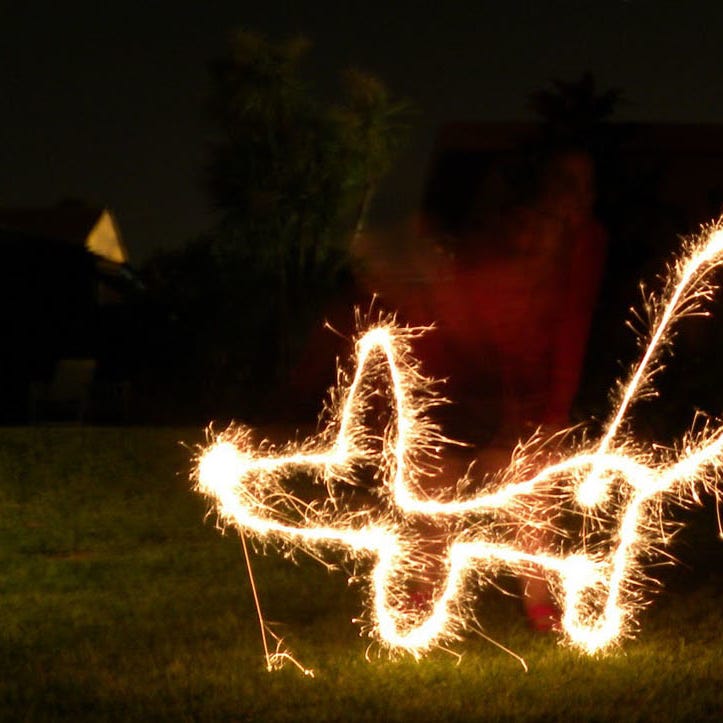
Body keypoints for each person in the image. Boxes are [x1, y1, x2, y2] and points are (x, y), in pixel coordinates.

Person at [389, 146, 608, 630]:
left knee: (533, 492)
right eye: (569, 184)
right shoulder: (488, 247)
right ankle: (425, 584)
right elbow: (445, 315)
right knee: (436, 488)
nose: (581, 196)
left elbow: (571, 327)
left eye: (587, 185)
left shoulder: (583, 244)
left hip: (524, 389)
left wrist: (554, 409)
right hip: (460, 381)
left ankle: (537, 596)